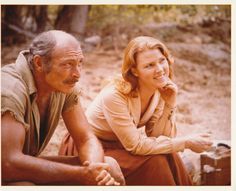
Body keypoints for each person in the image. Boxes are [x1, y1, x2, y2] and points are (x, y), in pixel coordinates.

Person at [59, 36, 213, 185]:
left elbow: (160, 137)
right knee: (156, 162)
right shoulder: (114, 96)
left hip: (121, 145)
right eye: (149, 65)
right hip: (90, 148)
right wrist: (187, 142)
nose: (159, 69)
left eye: (162, 61)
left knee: (170, 154)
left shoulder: (158, 88)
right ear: (134, 71)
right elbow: (136, 146)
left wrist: (169, 104)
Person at [1, 30, 125, 186]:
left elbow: (86, 138)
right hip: (7, 170)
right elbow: (7, 163)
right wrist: (80, 175)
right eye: (68, 64)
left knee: (110, 167)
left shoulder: (61, 84)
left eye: (80, 63)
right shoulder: (10, 89)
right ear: (39, 63)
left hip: (21, 165)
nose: (77, 74)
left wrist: (95, 170)